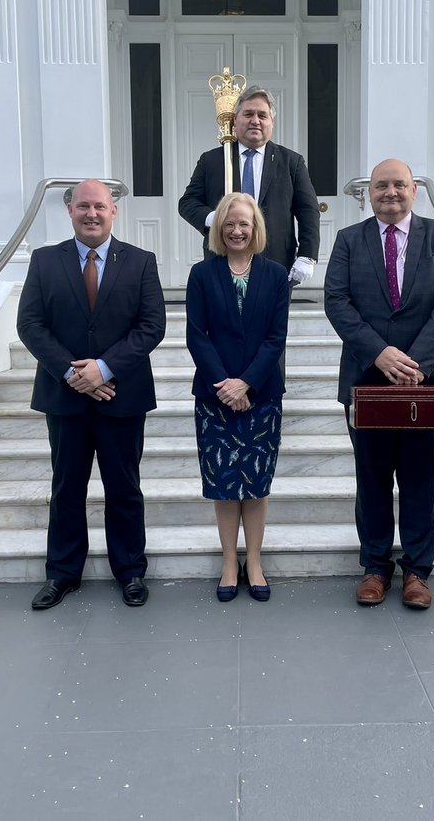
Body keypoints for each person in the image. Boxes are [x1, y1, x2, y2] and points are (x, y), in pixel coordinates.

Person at [323, 159, 434, 610]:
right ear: (370, 192)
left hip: (422, 386)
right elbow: (337, 300)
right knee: (371, 479)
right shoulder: (349, 240)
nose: (390, 192)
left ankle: (418, 572)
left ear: (414, 191)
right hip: (366, 382)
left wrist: (416, 363)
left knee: (420, 478)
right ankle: (374, 567)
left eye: (399, 185)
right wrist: (378, 353)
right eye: (382, 185)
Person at [18, 179, 166, 610]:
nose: (92, 214)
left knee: (124, 487)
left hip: (123, 394)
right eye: (83, 206)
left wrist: (102, 369)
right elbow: (30, 325)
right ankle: (62, 574)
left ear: (113, 211)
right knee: (67, 487)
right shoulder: (45, 261)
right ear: (70, 210)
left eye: (99, 206)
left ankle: (131, 572)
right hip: (63, 396)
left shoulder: (140, 261)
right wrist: (71, 372)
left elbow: (151, 326)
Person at [186, 191, 290, 602]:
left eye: (244, 222)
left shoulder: (276, 275)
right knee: (224, 484)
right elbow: (197, 335)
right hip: (214, 397)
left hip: (261, 395)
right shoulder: (201, 274)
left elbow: (275, 338)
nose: (236, 230)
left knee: (257, 484)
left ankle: (255, 560)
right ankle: (230, 561)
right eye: (229, 223)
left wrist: (245, 383)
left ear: (256, 227)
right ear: (218, 229)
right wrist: (225, 385)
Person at [178, 85, 322, 286]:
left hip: (276, 261)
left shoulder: (291, 162)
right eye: (248, 114)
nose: (255, 120)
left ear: (272, 121)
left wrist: (307, 255)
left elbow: (308, 210)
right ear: (235, 120)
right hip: (222, 259)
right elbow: (187, 203)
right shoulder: (212, 161)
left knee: (270, 318)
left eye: (262, 115)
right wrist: (215, 218)